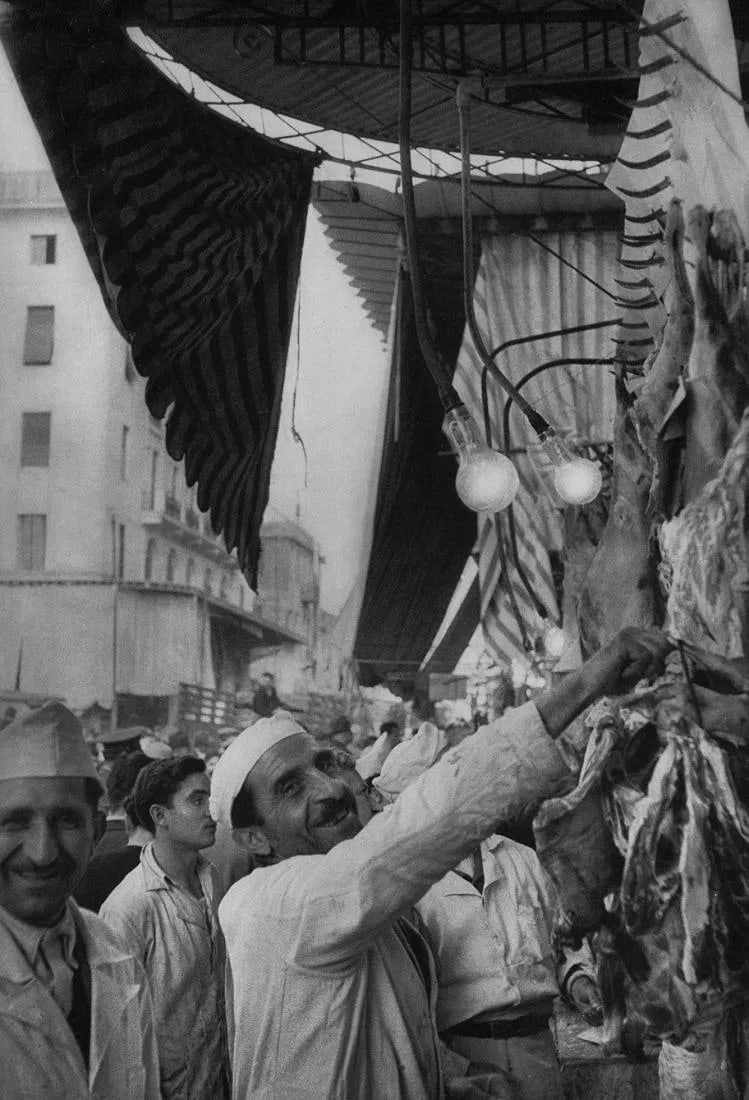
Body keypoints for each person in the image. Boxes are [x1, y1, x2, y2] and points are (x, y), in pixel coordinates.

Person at [210, 627, 671, 1099]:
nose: (329, 789)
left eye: (326, 766)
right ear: (254, 838)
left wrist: (451, 1081)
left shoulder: (368, 911)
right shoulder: (274, 905)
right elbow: (434, 814)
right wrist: (585, 684)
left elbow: (384, 1033)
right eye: (290, 787)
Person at [374, 727, 600, 1100]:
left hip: (538, 1051)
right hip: (462, 1059)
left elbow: (565, 944)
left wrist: (578, 980)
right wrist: (454, 1069)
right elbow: (402, 1007)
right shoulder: (405, 885)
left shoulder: (522, 860)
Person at [0, 702, 160, 1099]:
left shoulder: (115, 951)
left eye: (67, 820)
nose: (42, 852)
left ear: (97, 830)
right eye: (15, 821)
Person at [101, 756, 231, 1099]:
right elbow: (115, 1036)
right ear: (160, 816)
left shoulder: (211, 878)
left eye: (209, 798)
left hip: (216, 1080)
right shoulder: (129, 906)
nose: (210, 812)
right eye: (196, 800)